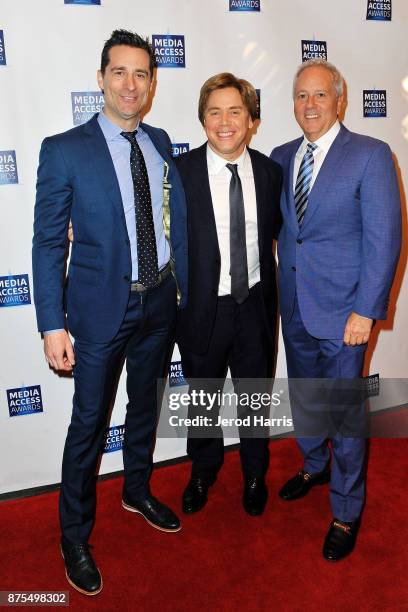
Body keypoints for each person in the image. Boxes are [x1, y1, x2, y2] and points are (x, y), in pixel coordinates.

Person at [32, 29, 188, 596]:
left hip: (159, 303)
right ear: (101, 79)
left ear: (151, 84)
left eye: (141, 74)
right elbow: (49, 242)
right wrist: (52, 323)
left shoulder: (162, 141)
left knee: (145, 404)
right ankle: (73, 534)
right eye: (119, 72)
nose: (130, 84)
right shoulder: (64, 149)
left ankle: (137, 489)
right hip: (99, 312)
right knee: (89, 424)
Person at [270, 59, 401, 561]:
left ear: (340, 100)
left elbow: (384, 239)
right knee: (305, 396)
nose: (310, 105)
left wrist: (366, 311)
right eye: (301, 96)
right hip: (296, 306)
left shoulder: (370, 154)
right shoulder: (281, 157)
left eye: (320, 95)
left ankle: (346, 510)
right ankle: (312, 463)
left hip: (346, 314)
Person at [176, 73, 282, 517]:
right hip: (203, 308)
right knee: (202, 397)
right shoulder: (178, 173)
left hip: (255, 303)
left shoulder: (271, 172)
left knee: (255, 398)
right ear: (202, 120)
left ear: (251, 119)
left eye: (235, 111)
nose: (225, 121)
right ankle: (203, 470)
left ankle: (256, 473)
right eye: (214, 112)